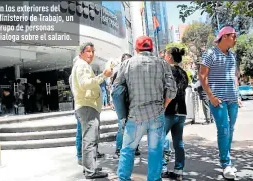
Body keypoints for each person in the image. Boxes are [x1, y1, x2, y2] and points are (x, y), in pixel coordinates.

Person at [115, 36, 177, 181]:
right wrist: (164, 105)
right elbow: (172, 90)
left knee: (128, 150)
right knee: (155, 151)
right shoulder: (162, 63)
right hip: (157, 114)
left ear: (136, 49)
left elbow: (116, 89)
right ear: (152, 48)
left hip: (135, 115)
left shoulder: (127, 64)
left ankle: (124, 178)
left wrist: (122, 113)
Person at [199, 26, 242, 180]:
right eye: (234, 36)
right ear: (224, 37)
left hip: (232, 100)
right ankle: (226, 163)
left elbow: (234, 76)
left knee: (230, 129)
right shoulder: (210, 53)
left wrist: (237, 96)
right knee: (223, 130)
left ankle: (228, 159)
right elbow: (202, 76)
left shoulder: (232, 56)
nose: (235, 39)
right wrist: (211, 97)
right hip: (218, 99)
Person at [70, 42, 113, 179]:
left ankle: (90, 167)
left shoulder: (82, 65)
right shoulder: (81, 65)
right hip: (88, 107)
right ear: (81, 53)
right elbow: (85, 84)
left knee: (89, 140)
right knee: (89, 141)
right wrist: (103, 75)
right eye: (88, 51)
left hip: (88, 106)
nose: (91, 54)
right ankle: (90, 171)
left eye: (93, 51)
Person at [161, 47, 188, 180]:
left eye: (165, 54)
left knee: (159, 139)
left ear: (170, 56)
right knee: (179, 142)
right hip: (182, 112)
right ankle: (179, 170)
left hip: (168, 111)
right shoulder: (184, 73)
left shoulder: (166, 71)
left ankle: (163, 168)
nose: (164, 56)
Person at [112, 53, 141, 159]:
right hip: (123, 102)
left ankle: (134, 147)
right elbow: (115, 90)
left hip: (132, 102)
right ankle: (119, 149)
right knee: (122, 126)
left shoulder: (133, 72)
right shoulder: (118, 73)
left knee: (135, 125)